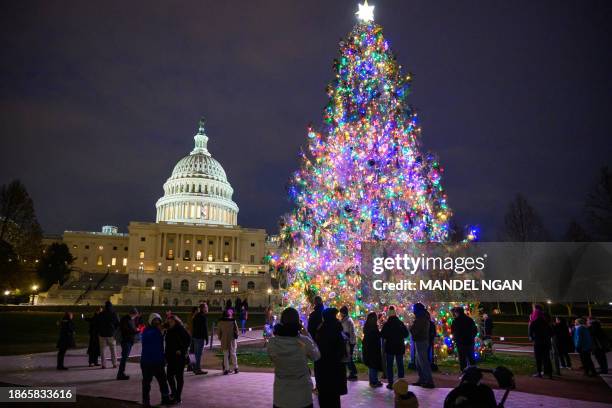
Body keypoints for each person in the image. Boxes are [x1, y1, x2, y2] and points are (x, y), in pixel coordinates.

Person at [267, 307, 321, 408]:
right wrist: (307, 334)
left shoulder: (273, 343)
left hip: (281, 396)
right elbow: (316, 355)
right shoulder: (304, 341)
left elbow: (272, 358)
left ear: (282, 321)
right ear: (298, 322)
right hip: (302, 396)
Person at [315, 308, 347, 408]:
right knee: (334, 398)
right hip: (334, 368)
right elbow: (342, 350)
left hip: (322, 368)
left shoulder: (321, 329)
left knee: (324, 397)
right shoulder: (337, 329)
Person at [141, 313, 172, 407]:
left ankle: (165, 398)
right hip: (147, 362)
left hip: (158, 361)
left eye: (158, 320)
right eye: (155, 320)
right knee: (146, 383)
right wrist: (159, 330)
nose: (157, 322)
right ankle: (146, 401)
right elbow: (148, 337)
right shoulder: (147, 331)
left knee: (163, 381)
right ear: (151, 321)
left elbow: (161, 346)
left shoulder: (159, 331)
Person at [380, 307, 409, 389]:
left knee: (389, 366)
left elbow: (382, 335)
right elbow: (406, 334)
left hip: (390, 347)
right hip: (399, 347)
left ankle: (391, 383)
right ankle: (401, 383)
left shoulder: (387, 324)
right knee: (400, 365)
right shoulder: (400, 323)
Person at [165, 315, 191, 404]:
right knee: (169, 376)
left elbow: (188, 340)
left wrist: (181, 350)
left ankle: (178, 397)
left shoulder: (180, 329)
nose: (170, 323)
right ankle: (174, 392)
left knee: (179, 377)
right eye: (169, 321)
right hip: (171, 357)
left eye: (171, 321)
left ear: (175, 321)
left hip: (179, 358)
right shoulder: (169, 330)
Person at [409, 303, 435, 388]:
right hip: (420, 339)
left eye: (414, 308)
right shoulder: (422, 316)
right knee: (419, 361)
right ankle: (422, 379)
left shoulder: (421, 317)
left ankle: (428, 381)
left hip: (421, 340)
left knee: (423, 361)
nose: (413, 311)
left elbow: (416, 329)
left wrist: (411, 328)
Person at [528, 305, 553, 379]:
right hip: (546, 342)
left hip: (538, 343)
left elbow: (530, 335)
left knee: (538, 358)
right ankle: (549, 374)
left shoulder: (533, 323)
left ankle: (539, 373)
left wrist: (533, 338)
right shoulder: (546, 323)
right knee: (547, 358)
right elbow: (552, 333)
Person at [451, 306, 478, 373]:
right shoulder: (469, 319)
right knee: (471, 358)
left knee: (462, 359)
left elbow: (453, 331)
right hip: (469, 342)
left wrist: (456, 339)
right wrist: (472, 337)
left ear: (457, 312)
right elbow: (475, 330)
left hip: (461, 343)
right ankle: (474, 372)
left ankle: (464, 372)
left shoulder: (456, 321)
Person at [117, 307, 140, 380]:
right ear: (133, 313)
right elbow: (126, 330)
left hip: (129, 341)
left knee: (125, 357)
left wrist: (136, 329)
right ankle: (120, 374)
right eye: (135, 315)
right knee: (124, 357)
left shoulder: (130, 319)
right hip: (126, 341)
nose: (135, 316)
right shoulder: (125, 320)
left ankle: (121, 373)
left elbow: (131, 329)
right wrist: (136, 331)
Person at [362, 312, 383, 388]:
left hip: (368, 349)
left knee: (371, 365)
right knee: (374, 365)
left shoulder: (367, 327)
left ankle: (372, 380)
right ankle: (374, 381)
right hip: (373, 349)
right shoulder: (373, 328)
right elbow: (376, 336)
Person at [97, 300, 120, 369]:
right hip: (111, 334)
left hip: (102, 334)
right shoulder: (114, 313)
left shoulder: (101, 314)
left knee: (102, 351)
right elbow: (118, 324)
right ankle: (114, 363)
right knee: (113, 350)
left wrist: (100, 331)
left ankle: (103, 365)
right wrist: (114, 331)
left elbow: (98, 324)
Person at [218, 308, 239, 375]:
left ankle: (226, 369)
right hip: (232, 339)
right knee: (233, 354)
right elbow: (237, 330)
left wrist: (220, 338)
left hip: (224, 339)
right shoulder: (233, 321)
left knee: (225, 355)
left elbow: (219, 332)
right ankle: (236, 368)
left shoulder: (220, 322)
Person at [339, 305, 358, 381]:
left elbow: (347, 332)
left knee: (349, 357)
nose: (340, 314)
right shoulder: (346, 320)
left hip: (349, 341)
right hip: (349, 341)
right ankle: (352, 372)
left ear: (343, 313)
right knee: (348, 357)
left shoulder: (347, 321)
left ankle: (353, 372)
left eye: (341, 313)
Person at [191, 303, 209, 375]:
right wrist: (207, 338)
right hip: (200, 337)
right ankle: (197, 369)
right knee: (198, 354)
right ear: (203, 308)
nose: (207, 308)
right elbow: (204, 329)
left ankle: (194, 368)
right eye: (206, 307)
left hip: (195, 336)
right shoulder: (202, 316)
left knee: (195, 353)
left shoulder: (196, 316)